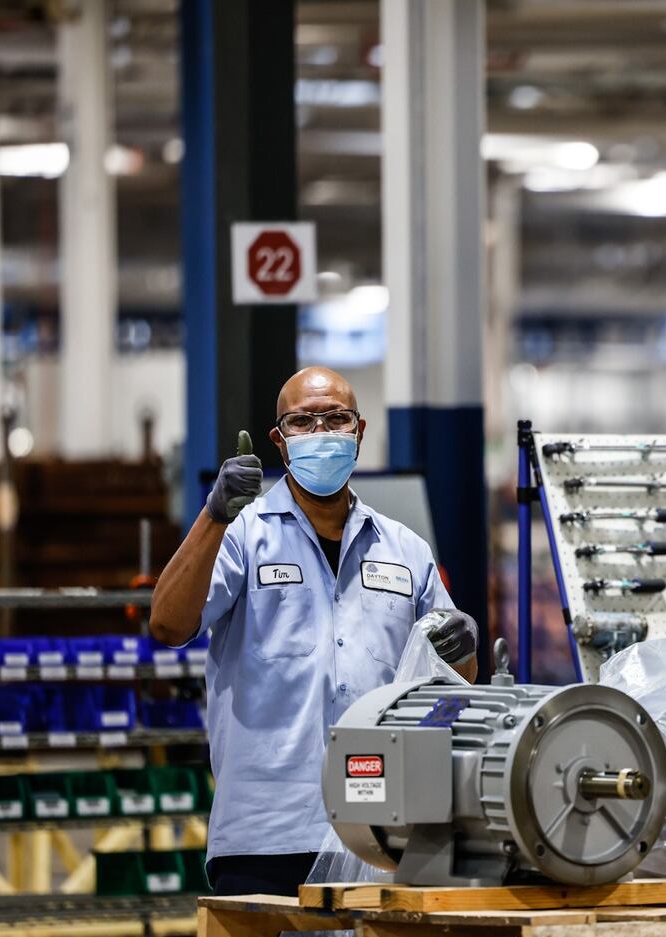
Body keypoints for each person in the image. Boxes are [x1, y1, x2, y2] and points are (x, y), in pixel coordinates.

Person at [149, 366, 479, 896]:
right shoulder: (242, 537)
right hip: (267, 832)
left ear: (359, 432)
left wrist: (464, 644)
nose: (322, 432)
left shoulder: (405, 551)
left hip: (379, 828)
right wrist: (213, 516)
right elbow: (168, 624)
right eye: (303, 422)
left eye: (336, 419)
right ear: (280, 442)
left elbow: (456, 684)